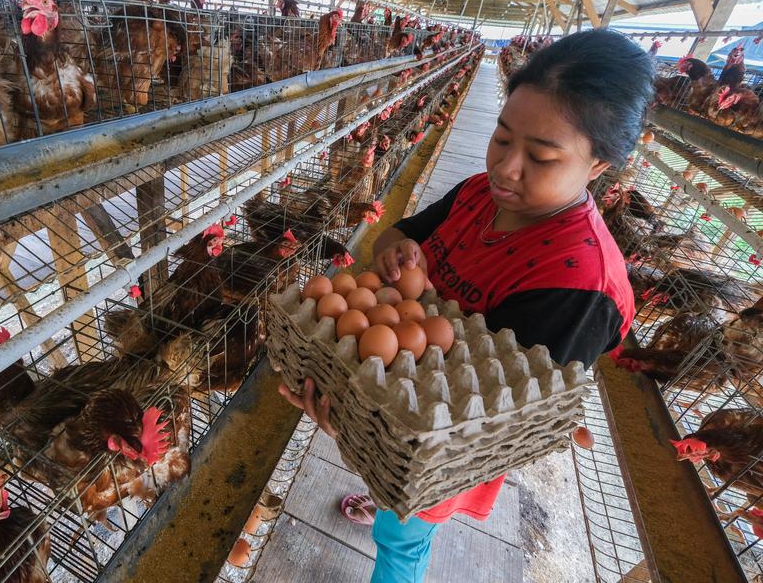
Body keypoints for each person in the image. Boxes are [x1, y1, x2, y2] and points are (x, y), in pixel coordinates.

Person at [278, 28, 654, 582]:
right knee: (389, 496)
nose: (506, 167)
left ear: (598, 165)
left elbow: (487, 431)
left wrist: (366, 428)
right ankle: (383, 494)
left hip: (437, 460)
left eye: (541, 156)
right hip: (394, 412)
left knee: (402, 537)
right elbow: (396, 236)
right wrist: (396, 253)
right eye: (502, 138)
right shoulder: (480, 192)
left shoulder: (579, 288)